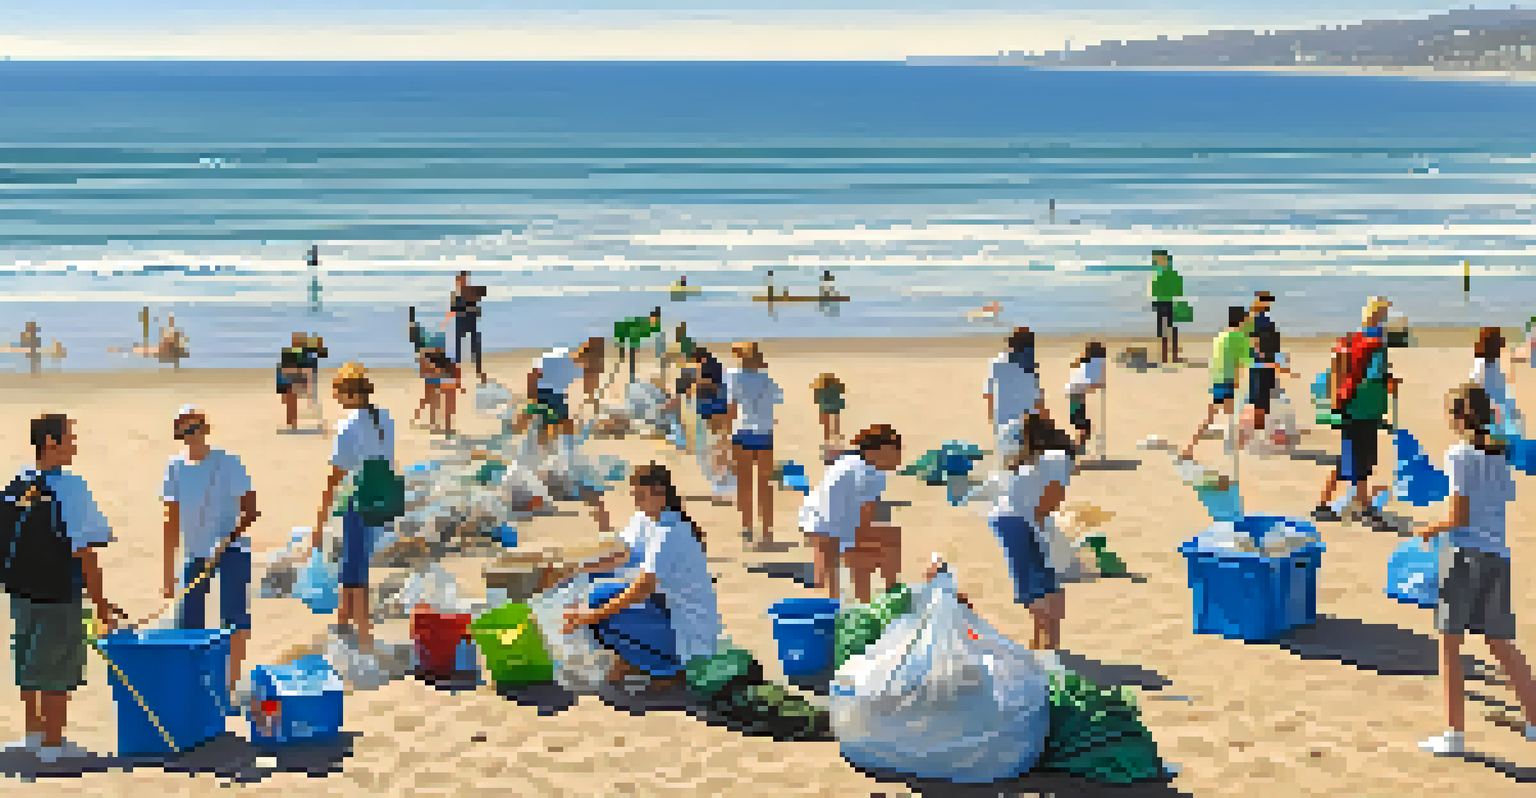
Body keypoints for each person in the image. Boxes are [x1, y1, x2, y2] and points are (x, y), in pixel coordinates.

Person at [1416, 383, 1536, 755]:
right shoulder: (1501, 456)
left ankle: (1454, 733)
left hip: (1465, 554)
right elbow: (1497, 506)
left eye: (1450, 413)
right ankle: (1534, 720)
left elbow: (1459, 515)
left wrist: (1427, 529)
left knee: (1450, 644)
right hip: (1498, 555)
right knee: (1501, 642)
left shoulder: (1459, 455)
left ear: (1460, 416)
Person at [3, 414, 120, 763]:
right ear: (51, 442)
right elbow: (85, 551)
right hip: (59, 592)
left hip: (21, 590)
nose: (74, 445)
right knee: (57, 665)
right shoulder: (70, 486)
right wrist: (101, 604)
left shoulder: (18, 481)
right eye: (70, 438)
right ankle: (53, 744)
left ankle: (33, 734)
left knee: (28, 661)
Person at [562, 463, 721, 691]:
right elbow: (620, 554)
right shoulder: (646, 518)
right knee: (597, 591)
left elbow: (641, 589)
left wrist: (589, 616)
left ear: (660, 494)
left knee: (602, 614)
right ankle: (636, 660)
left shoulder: (669, 533)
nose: (637, 503)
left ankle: (672, 668)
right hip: (666, 611)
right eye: (635, 496)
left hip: (689, 635)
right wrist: (572, 570)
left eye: (641, 496)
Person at [161, 407, 258, 702]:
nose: (192, 437)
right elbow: (170, 520)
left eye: (196, 429)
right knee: (188, 623)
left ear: (206, 428)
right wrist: (168, 573)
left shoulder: (228, 462)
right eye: (185, 432)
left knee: (234, 618)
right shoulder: (175, 467)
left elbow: (251, 509)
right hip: (195, 552)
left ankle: (230, 686)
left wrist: (225, 541)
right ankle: (194, 686)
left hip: (232, 548)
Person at [972, 413, 1076, 650]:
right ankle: (1048, 646)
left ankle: (1043, 643)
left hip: (1008, 518)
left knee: (1040, 584)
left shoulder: (1030, 461)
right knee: (1039, 586)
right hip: (1020, 521)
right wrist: (1046, 530)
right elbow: (1050, 500)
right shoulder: (1059, 458)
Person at [311, 364, 396, 650]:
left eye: (337, 389)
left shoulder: (348, 426)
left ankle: (364, 635)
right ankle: (344, 621)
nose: (334, 395)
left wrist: (320, 517)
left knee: (355, 568)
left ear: (349, 392)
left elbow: (335, 476)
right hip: (381, 495)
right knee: (354, 561)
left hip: (358, 498)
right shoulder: (384, 417)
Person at [1313, 297, 1400, 531]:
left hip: (1349, 403)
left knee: (1349, 457)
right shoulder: (1376, 343)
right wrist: (1388, 384)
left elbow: (1339, 365)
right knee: (1362, 461)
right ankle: (1364, 511)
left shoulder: (1352, 339)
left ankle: (1323, 504)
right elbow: (1373, 377)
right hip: (1365, 409)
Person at [799, 424, 903, 603]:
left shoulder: (850, 460)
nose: (899, 459)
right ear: (876, 452)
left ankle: (838, 596)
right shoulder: (872, 473)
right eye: (895, 453)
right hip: (832, 526)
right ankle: (889, 593)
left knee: (831, 580)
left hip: (812, 521)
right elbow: (866, 515)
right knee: (888, 541)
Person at [725, 342, 784, 548]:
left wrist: (725, 437)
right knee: (765, 485)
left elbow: (731, 408)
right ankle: (767, 532)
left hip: (742, 432)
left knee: (744, 484)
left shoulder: (732, 375)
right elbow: (775, 404)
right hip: (764, 433)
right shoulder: (767, 379)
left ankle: (748, 529)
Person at [1181, 306, 1251, 463]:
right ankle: (1235, 454)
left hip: (1217, 379)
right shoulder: (1241, 338)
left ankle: (1189, 448)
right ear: (1242, 320)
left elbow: (1218, 358)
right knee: (1233, 416)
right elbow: (1243, 363)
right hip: (1229, 381)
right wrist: (1237, 381)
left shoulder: (1221, 336)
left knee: (1213, 417)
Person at [984, 327, 1046, 467]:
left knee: (1008, 462)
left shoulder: (996, 362)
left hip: (1002, 419)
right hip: (1025, 421)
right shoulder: (1030, 366)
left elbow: (989, 393)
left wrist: (991, 415)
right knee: (1025, 463)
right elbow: (1037, 398)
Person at [1238, 292, 1291, 449]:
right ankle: (1257, 431)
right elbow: (1251, 340)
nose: (1267, 304)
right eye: (1264, 301)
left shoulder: (1261, 319)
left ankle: (1259, 429)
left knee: (1263, 396)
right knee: (1260, 397)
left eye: (1268, 302)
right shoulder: (1256, 320)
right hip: (1262, 363)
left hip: (1266, 361)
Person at [525, 346, 582, 447]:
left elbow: (534, 372)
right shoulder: (559, 355)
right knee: (558, 423)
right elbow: (534, 372)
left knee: (550, 423)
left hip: (551, 393)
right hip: (548, 393)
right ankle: (569, 449)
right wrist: (531, 393)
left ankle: (562, 448)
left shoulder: (575, 366)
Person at [1471, 326, 1522, 436]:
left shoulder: (1490, 364)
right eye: (1499, 343)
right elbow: (1487, 396)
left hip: (1497, 417)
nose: (1501, 347)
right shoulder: (1483, 367)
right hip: (1493, 420)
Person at [1064, 342, 1107, 456]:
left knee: (1082, 424)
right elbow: (1092, 381)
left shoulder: (1087, 362)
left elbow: (1087, 379)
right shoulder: (1093, 362)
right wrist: (1099, 384)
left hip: (1075, 393)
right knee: (1082, 424)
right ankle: (1078, 448)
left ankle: (1079, 447)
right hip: (1076, 394)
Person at [277, 333, 325, 432]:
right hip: (292, 381)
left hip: (297, 381)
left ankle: (293, 425)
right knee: (292, 404)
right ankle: (292, 425)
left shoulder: (306, 354)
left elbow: (321, 354)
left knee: (295, 403)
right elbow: (283, 370)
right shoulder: (295, 354)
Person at [448, 271, 486, 384]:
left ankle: (479, 372)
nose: (461, 282)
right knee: (458, 350)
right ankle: (457, 375)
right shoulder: (455, 294)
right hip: (461, 322)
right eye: (459, 280)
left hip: (470, 322)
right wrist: (466, 307)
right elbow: (453, 309)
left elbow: (483, 292)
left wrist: (472, 301)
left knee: (475, 347)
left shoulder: (471, 291)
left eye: (463, 279)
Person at [1149, 250, 1183, 365]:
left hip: (1161, 302)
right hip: (1169, 302)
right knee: (1171, 329)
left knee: (1164, 331)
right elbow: (1179, 290)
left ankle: (1166, 357)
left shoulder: (1157, 273)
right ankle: (1173, 356)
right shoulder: (1172, 273)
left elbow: (1154, 290)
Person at [423, 349, 463, 435]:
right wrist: (459, 385)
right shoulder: (450, 363)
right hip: (448, 384)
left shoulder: (441, 364)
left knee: (442, 407)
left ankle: (439, 426)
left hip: (444, 383)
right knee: (448, 408)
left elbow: (437, 373)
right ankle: (446, 427)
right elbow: (455, 372)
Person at [811, 373, 847, 449]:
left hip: (827, 409)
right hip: (833, 409)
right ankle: (832, 439)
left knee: (828, 426)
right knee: (834, 425)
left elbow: (818, 400)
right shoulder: (835, 389)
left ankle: (829, 440)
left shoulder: (823, 391)